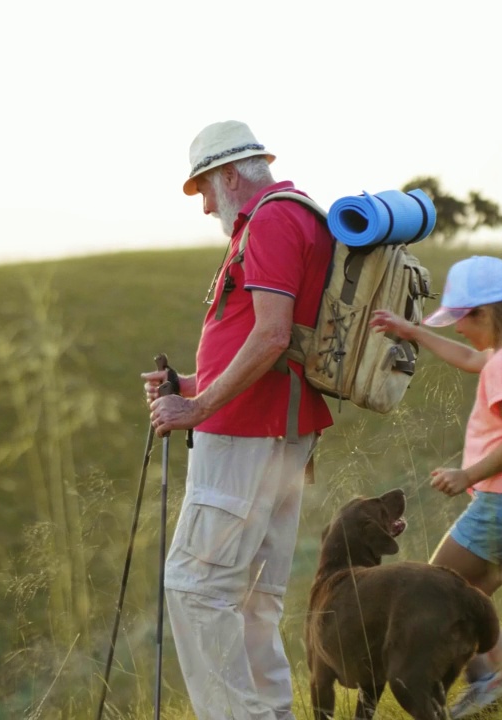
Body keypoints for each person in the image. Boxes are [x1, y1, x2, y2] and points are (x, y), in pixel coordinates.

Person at [143, 120, 334, 719]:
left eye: (204, 189)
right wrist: (192, 386)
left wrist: (197, 408)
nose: (204, 206)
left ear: (229, 174)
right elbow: (275, 345)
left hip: (245, 438)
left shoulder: (272, 220)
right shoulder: (301, 216)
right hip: (278, 430)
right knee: (254, 597)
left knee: (197, 589)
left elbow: (273, 335)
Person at [369, 255, 502, 718]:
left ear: (486, 314)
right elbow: (471, 358)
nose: (457, 330)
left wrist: (467, 475)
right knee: (472, 595)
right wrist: (413, 332)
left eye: (461, 320)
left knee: (438, 589)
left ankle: (483, 684)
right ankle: (496, 683)